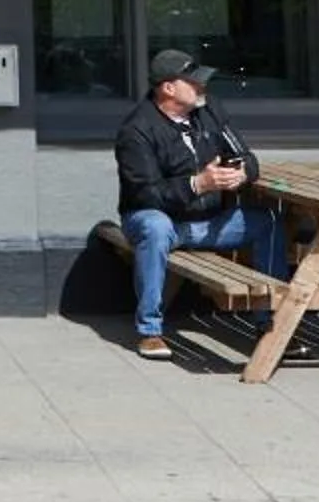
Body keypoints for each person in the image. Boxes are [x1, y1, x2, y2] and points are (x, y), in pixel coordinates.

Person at [115, 48, 287, 357]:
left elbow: (247, 156)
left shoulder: (209, 111)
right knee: (154, 227)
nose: (202, 88)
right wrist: (198, 184)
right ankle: (150, 331)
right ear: (168, 88)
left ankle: (271, 325)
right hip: (161, 221)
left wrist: (242, 174)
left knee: (269, 222)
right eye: (194, 83)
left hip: (209, 222)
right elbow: (145, 194)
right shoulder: (136, 130)